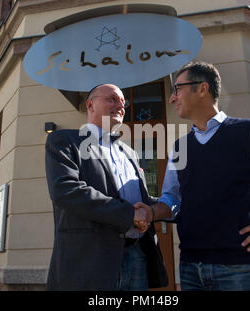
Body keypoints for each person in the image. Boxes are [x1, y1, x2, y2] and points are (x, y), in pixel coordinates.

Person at [136, 61, 250, 291]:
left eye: (178, 89)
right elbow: (172, 200)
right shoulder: (180, 147)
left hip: (241, 268)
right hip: (190, 268)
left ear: (202, 89)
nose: (172, 98)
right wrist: (150, 212)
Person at [45, 83, 167, 290]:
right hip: (91, 261)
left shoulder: (130, 153)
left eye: (122, 101)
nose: (120, 105)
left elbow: (140, 201)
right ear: (90, 105)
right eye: (111, 99)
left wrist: (164, 208)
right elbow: (66, 190)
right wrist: (130, 214)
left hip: (137, 256)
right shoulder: (63, 141)